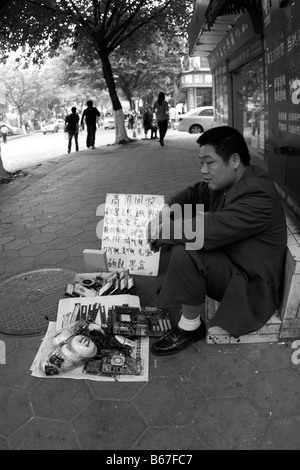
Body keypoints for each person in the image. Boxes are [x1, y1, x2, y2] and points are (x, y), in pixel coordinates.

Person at [147, 125, 287, 356]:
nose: (203, 170)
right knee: (179, 231)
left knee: (187, 249)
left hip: (250, 283)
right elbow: (195, 192)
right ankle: (183, 284)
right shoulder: (232, 181)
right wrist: (165, 212)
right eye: (201, 162)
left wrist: (161, 231)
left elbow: (208, 230)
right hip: (232, 259)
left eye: (209, 162)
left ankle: (190, 327)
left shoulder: (257, 193)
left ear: (234, 160)